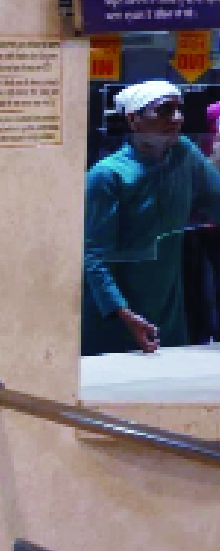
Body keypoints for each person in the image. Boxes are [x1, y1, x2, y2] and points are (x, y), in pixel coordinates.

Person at [83, 80, 220, 356]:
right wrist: (121, 312)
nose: (177, 119)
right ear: (133, 120)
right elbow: (94, 256)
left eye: (179, 110)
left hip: (168, 307)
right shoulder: (108, 176)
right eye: (165, 111)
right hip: (117, 314)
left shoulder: (183, 155)